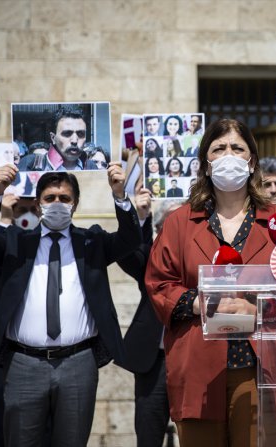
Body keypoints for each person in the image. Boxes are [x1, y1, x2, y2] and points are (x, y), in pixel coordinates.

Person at [145, 118, 276, 447]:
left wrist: (258, 309)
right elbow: (159, 283)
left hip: (261, 368)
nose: (228, 154)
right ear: (206, 163)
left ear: (252, 161)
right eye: (219, 148)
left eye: (237, 148)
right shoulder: (179, 222)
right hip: (199, 368)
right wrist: (198, 303)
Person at [0, 165, 141, 446]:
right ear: (38, 204)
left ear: (75, 204)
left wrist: (120, 195)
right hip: (23, 363)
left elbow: (130, 240)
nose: (57, 204)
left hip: (78, 363)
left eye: (64, 198)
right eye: (50, 198)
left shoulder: (93, 241)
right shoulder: (16, 241)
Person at [0, 193, 41, 447]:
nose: (27, 214)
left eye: (32, 209)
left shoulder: (50, 242)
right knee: (2, 423)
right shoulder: (2, 241)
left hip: (41, 349)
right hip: (2, 347)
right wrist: (3, 217)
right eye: (19, 208)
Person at [117, 188, 173, 447]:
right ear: (159, 230)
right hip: (155, 362)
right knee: (149, 435)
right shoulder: (150, 262)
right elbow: (128, 254)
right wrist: (140, 216)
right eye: (169, 226)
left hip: (195, 358)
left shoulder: (207, 263)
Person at [17, 106, 97, 171]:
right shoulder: (30, 164)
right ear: (53, 138)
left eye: (80, 134)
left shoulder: (91, 167)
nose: (74, 141)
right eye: (67, 133)